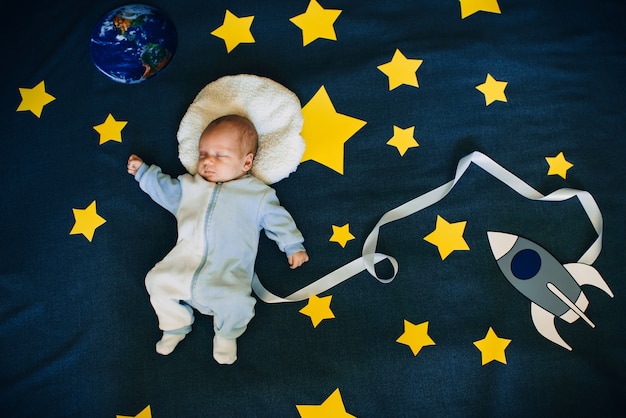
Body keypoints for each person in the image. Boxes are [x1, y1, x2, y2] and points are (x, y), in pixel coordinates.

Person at [127, 114, 309, 364]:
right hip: (183, 264)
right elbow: (164, 190)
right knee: (156, 281)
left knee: (237, 303)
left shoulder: (257, 195)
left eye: (220, 155)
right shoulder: (189, 187)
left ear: (246, 162)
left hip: (226, 272)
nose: (208, 161)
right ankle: (175, 325)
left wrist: (292, 245)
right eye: (203, 154)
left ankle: (226, 335)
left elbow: (277, 219)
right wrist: (144, 174)